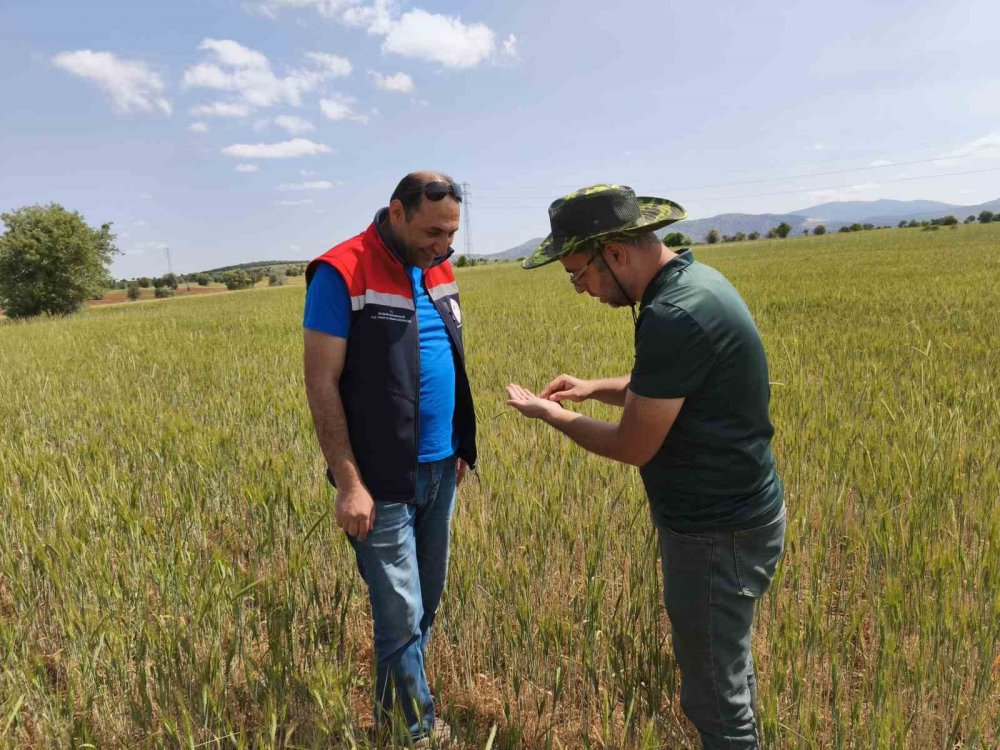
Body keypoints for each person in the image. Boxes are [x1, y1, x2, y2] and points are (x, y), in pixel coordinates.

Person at [505, 184, 785, 750]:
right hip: (740, 515)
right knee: (727, 673)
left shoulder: (672, 314)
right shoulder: (694, 283)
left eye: (578, 274)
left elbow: (633, 445)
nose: (582, 290)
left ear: (614, 252)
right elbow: (666, 386)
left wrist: (550, 415)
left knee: (714, 697)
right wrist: (592, 387)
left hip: (714, 531)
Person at [303, 171, 477, 746]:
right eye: (432, 233)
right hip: (377, 478)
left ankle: (389, 713)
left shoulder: (438, 267)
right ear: (397, 213)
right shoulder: (340, 271)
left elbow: (446, 355)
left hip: (441, 466)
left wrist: (458, 444)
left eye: (450, 235)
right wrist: (348, 482)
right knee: (400, 610)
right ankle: (416, 730)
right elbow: (321, 384)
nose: (442, 246)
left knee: (425, 602)